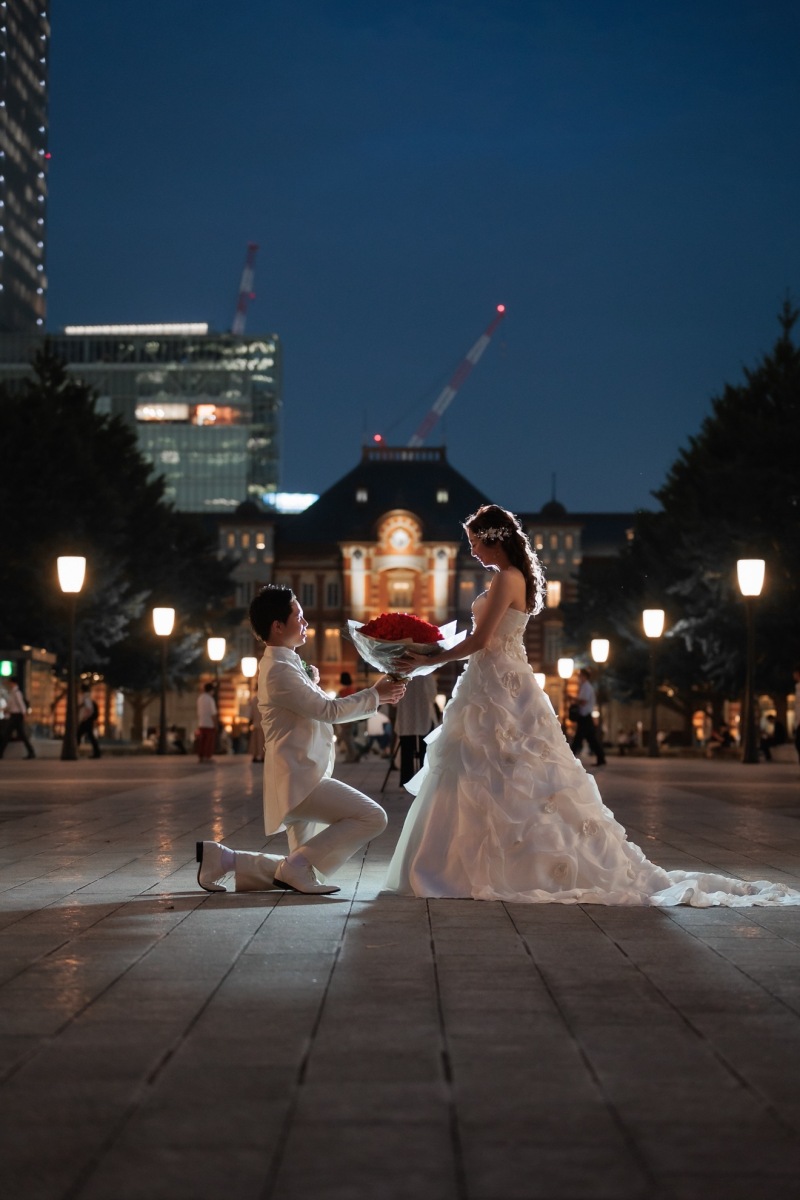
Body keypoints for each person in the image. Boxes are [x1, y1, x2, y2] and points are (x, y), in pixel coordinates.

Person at [385, 504, 800, 908]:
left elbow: (481, 639)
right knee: (488, 767)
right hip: (492, 682)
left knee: (498, 767)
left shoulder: (508, 579)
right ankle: (463, 862)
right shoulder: (508, 578)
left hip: (498, 685)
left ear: (494, 539)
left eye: (475, 541)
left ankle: (475, 864)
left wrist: (427, 660)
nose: (472, 550)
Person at [196, 584, 406, 895]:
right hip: (300, 779)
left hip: (301, 774)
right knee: (372, 816)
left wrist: (378, 690)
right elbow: (328, 711)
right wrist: (376, 695)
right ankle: (281, 867)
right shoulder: (279, 671)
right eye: (298, 616)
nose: (305, 622)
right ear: (278, 626)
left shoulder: (287, 665)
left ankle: (224, 859)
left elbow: (322, 708)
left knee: (303, 868)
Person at [395, 673, 438, 786]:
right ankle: (423, 781)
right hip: (423, 714)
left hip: (406, 715)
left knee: (406, 750)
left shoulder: (402, 672)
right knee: (424, 750)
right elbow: (432, 694)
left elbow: (394, 697)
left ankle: (405, 781)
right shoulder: (426, 673)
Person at [570, 667, 606, 767]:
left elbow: (583, 701)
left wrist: (573, 699)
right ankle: (601, 758)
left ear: (584, 676)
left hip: (585, 717)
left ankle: (569, 759)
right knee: (591, 739)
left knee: (578, 739)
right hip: (585, 717)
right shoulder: (585, 687)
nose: (579, 677)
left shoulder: (586, 687)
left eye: (580, 675)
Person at [0, 675, 35, 759]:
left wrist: (24, 714)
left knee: (7, 734)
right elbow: (11, 705)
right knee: (20, 735)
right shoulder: (12, 692)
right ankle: (31, 752)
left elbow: (21, 704)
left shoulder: (16, 693)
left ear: (13, 683)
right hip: (14, 715)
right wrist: (5, 709)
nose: (9, 684)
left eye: (10, 682)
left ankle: (0, 753)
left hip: (16, 716)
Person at [334, 671, 361, 762]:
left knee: (347, 738)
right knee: (348, 738)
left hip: (347, 718)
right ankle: (353, 754)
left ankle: (353, 755)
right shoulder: (351, 690)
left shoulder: (345, 691)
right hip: (351, 717)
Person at [77, 683, 101, 758]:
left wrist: (85, 717)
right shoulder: (88, 697)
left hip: (86, 720)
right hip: (88, 720)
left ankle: (75, 751)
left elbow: (89, 709)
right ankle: (97, 753)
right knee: (90, 736)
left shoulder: (85, 698)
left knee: (78, 735)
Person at [195, 682, 217, 763]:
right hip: (209, 724)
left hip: (201, 723)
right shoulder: (210, 699)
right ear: (211, 690)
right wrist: (215, 724)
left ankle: (201, 756)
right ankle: (207, 756)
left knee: (202, 741)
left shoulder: (200, 698)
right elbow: (213, 713)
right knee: (209, 742)